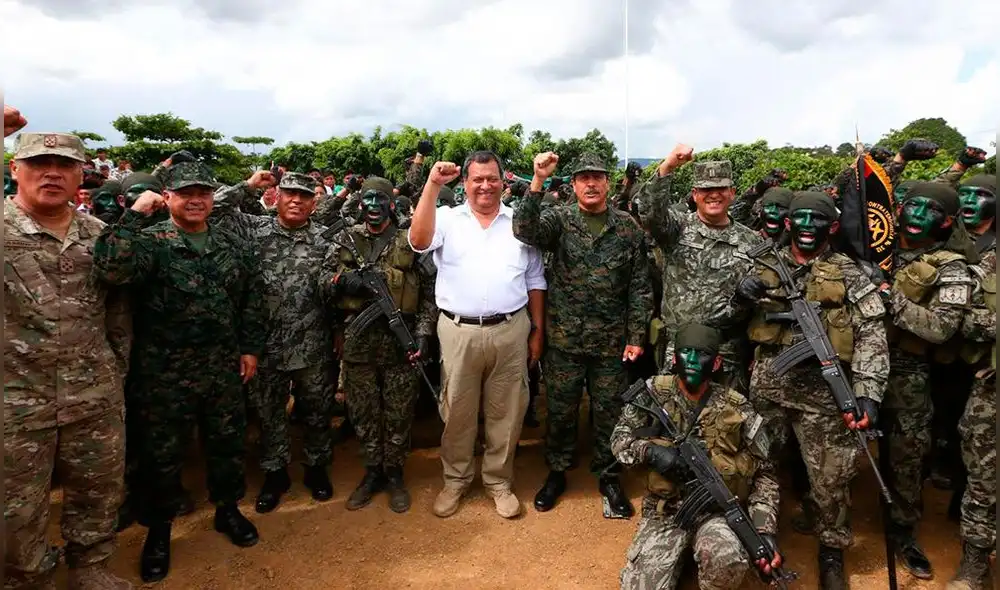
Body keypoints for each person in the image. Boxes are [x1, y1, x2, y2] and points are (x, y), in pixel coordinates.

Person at [93, 161, 267, 583]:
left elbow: (252, 298)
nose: (196, 200)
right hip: (163, 370)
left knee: (226, 444)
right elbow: (110, 270)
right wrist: (132, 216)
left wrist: (250, 349)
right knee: (162, 455)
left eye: (203, 193)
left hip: (222, 365)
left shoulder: (230, 244)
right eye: (186, 193)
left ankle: (227, 510)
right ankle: (159, 529)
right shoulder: (149, 242)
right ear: (167, 197)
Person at [736, 191, 889, 590]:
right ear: (787, 223)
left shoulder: (850, 274)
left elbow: (872, 335)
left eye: (816, 220)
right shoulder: (762, 265)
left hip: (825, 396)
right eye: (798, 218)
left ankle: (831, 551)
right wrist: (740, 295)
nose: (806, 226)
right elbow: (725, 318)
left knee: (830, 479)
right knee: (757, 466)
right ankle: (759, 540)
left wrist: (868, 392)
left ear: (833, 227)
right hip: (770, 387)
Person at [4, 127, 133, 589]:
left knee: (98, 489)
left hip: (93, 393)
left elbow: (118, 312)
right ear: (15, 169)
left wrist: (115, 372)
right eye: (39, 164)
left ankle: (91, 567)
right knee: (16, 507)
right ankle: (27, 579)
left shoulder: (99, 236)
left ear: (82, 175)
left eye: (64, 166)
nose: (52, 173)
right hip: (15, 401)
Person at [408, 151, 546, 519]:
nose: (485, 186)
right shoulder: (448, 219)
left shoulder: (520, 223)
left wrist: (537, 331)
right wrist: (432, 184)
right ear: (465, 183)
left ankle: (498, 482)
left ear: (504, 181)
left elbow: (535, 280)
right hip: (458, 330)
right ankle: (455, 480)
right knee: (457, 409)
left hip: (510, 329)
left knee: (508, 409)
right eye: (476, 179)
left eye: (492, 178)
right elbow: (418, 241)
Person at [513, 151, 652, 517]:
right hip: (565, 341)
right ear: (573, 185)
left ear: (608, 183)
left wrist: (636, 335)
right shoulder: (558, 220)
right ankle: (557, 471)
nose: (591, 183)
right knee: (560, 411)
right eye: (583, 178)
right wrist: (538, 181)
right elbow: (524, 231)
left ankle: (609, 477)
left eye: (597, 177)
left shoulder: (627, 228)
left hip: (611, 343)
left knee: (609, 413)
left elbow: (639, 287)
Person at [611, 324, 782, 590]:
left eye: (700, 354)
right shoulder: (653, 393)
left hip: (716, 513)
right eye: (685, 352)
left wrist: (763, 528)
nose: (691, 360)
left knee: (726, 561)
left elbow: (765, 472)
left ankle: (705, 555)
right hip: (665, 510)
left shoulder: (736, 406)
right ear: (674, 357)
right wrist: (650, 451)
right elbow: (618, 441)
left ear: (715, 363)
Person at [212, 170, 340, 512]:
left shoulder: (326, 241)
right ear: (277, 197)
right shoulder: (256, 230)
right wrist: (248, 186)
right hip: (265, 347)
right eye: (289, 194)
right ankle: (275, 473)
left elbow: (333, 291)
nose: (296, 200)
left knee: (316, 412)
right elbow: (213, 211)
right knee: (270, 415)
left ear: (314, 204)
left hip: (313, 345)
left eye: (304, 196)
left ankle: (316, 468)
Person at [323, 176, 437, 513]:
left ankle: (395, 472)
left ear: (392, 203)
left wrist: (423, 333)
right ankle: (372, 471)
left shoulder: (411, 241)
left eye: (381, 199)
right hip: (359, 343)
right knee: (363, 411)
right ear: (360, 204)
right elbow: (320, 282)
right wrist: (344, 281)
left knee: (400, 411)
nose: (374, 206)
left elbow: (431, 291)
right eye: (368, 199)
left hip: (401, 345)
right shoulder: (345, 239)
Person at [883, 181, 976, 580]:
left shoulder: (951, 265)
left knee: (908, 452)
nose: (918, 215)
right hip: (853, 364)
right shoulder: (876, 247)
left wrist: (891, 297)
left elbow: (942, 328)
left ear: (947, 221)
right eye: (913, 206)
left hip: (908, 370)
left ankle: (903, 530)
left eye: (931, 210)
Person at [636, 145, 762, 390]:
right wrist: (668, 166)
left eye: (720, 189)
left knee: (727, 421)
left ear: (732, 193)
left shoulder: (752, 242)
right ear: (695, 194)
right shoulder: (677, 228)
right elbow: (649, 212)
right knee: (674, 419)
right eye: (706, 189)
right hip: (680, 350)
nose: (713, 195)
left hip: (727, 354)